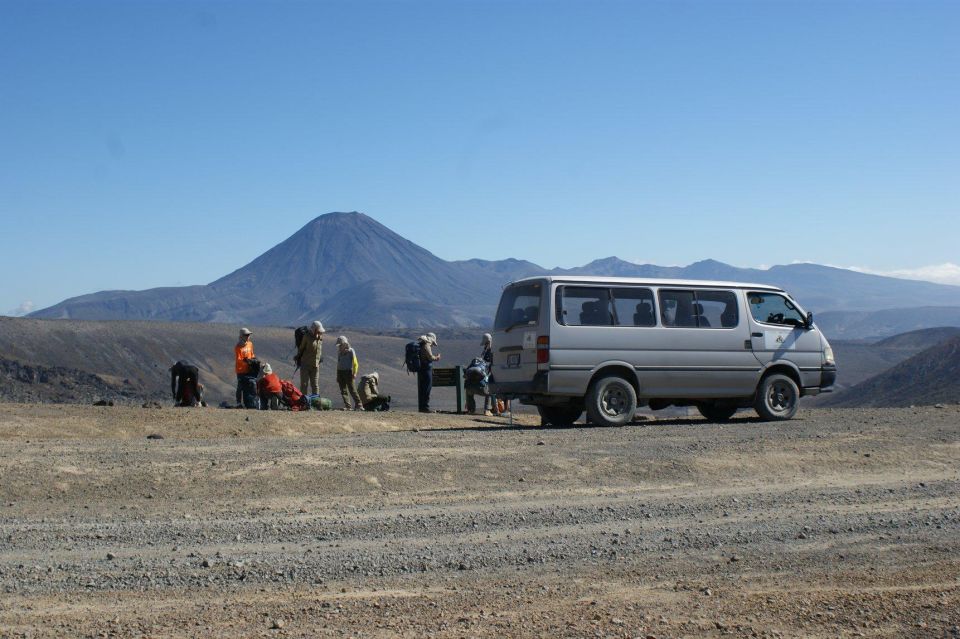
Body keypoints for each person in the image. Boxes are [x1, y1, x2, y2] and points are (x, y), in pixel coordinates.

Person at [465, 333, 496, 416]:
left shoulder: (485, 351)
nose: (485, 345)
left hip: (470, 386)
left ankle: (471, 410)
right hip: (483, 384)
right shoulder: (492, 350)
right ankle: (487, 410)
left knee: (469, 390)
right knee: (490, 389)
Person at [296, 320, 325, 395]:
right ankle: (304, 402)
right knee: (304, 384)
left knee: (315, 385)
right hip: (305, 364)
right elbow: (301, 348)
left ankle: (316, 402)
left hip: (315, 365)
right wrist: (298, 357)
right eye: (318, 330)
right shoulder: (307, 336)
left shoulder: (320, 337)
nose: (319, 332)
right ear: (314, 329)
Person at [335, 335, 363, 410]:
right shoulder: (339, 352)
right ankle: (348, 406)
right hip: (340, 372)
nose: (339, 346)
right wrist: (337, 375)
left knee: (352, 389)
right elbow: (338, 363)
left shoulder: (351, 351)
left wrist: (354, 373)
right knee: (343, 390)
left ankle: (359, 404)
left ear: (344, 344)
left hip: (348, 372)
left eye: (340, 345)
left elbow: (355, 363)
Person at [417, 332, 440, 413]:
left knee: (423, 388)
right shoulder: (426, 345)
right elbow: (430, 357)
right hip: (426, 369)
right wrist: (437, 357)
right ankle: (425, 407)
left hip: (422, 369)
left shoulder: (421, 344)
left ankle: (422, 407)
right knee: (427, 388)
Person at [234, 327, 257, 409]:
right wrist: (246, 361)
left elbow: (252, 354)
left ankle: (250, 403)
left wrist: (254, 360)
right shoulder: (238, 347)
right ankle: (238, 403)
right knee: (240, 387)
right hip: (240, 370)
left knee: (250, 386)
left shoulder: (250, 344)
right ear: (241, 336)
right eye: (246, 335)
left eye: (249, 335)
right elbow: (238, 359)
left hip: (249, 369)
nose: (248, 336)